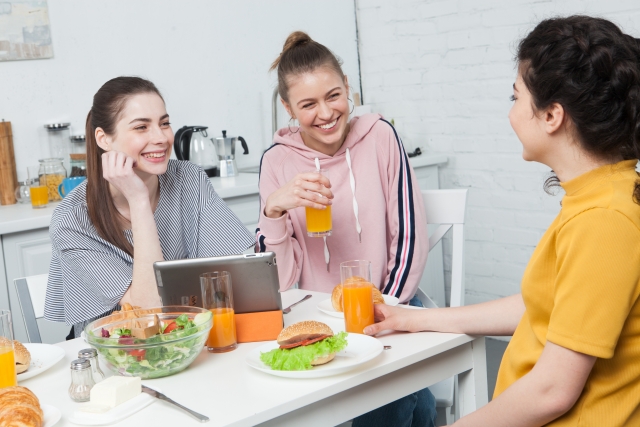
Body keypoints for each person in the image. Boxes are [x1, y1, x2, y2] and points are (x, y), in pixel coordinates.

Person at [364, 16, 640, 427]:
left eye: (515, 97)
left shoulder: (604, 219)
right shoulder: (599, 196)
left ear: (552, 116)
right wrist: (417, 318)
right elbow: (543, 307)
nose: (511, 113)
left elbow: (552, 391)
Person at [258, 32, 435, 427]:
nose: (325, 113)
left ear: (348, 89)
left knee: (386, 396)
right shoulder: (277, 163)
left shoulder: (381, 137)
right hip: (317, 318)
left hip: (390, 301)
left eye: (333, 96)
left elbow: (408, 237)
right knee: (413, 402)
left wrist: (387, 308)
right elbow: (283, 282)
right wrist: (274, 210)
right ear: (288, 108)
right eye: (308, 104)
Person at [44, 76, 254, 338]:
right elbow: (147, 314)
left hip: (186, 341)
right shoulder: (72, 220)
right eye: (141, 127)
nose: (161, 138)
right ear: (104, 139)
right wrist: (139, 200)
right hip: (114, 357)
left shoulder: (189, 179)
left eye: (164, 123)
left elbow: (233, 277)